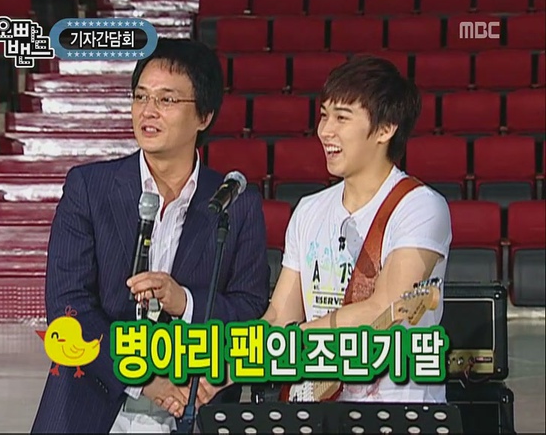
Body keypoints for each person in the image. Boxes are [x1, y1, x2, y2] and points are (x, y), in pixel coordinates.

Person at [31, 38, 270, 433]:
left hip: (195, 403)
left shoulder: (235, 202)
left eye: (167, 100)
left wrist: (184, 302)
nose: (148, 110)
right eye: (140, 96)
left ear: (204, 115)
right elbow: (68, 308)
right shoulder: (89, 188)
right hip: (90, 402)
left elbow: (249, 309)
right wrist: (144, 379)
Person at [194, 55, 453, 406]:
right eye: (324, 115)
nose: (325, 131)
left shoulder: (419, 206)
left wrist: (293, 341)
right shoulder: (309, 210)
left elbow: (383, 307)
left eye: (342, 118)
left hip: (397, 408)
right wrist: (227, 366)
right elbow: (279, 316)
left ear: (385, 128)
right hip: (317, 407)